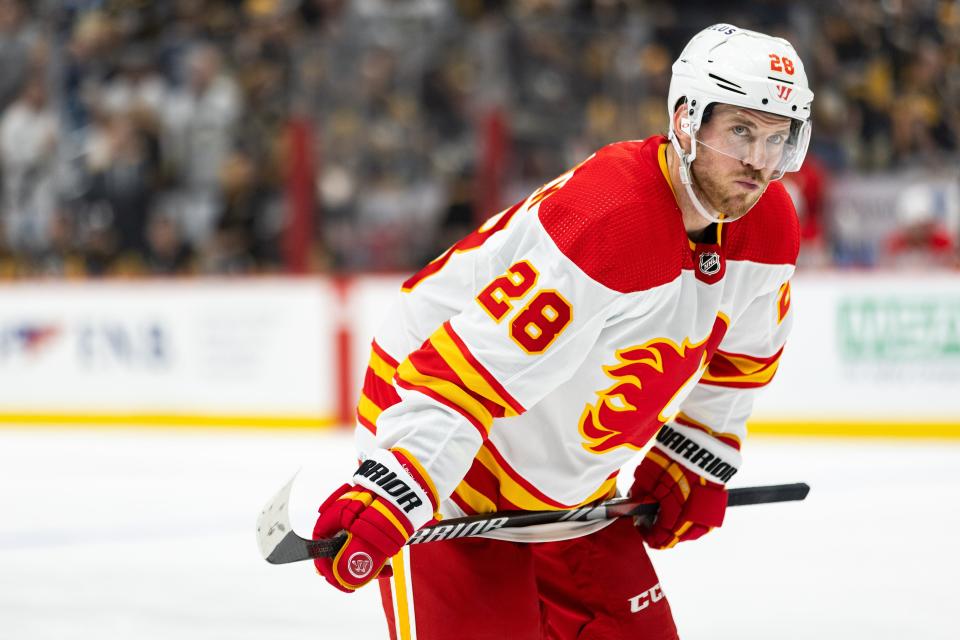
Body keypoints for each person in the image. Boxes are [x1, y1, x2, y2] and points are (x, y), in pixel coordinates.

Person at [312, 24, 814, 639]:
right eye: (740, 131)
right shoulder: (612, 219)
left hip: (568, 473)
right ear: (687, 119)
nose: (760, 162)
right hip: (445, 433)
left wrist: (696, 455)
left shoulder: (770, 228)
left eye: (776, 138)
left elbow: (742, 359)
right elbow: (472, 368)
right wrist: (394, 485)